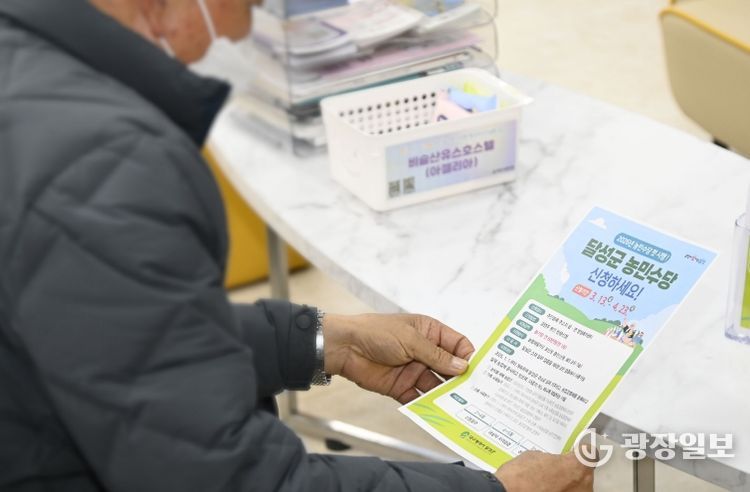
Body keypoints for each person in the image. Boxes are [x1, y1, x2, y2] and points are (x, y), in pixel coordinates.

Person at [0, 0, 595, 490]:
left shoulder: (30, 69)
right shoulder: (108, 164)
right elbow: (226, 478)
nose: (245, 27)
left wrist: (324, 341)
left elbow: (117, 333)